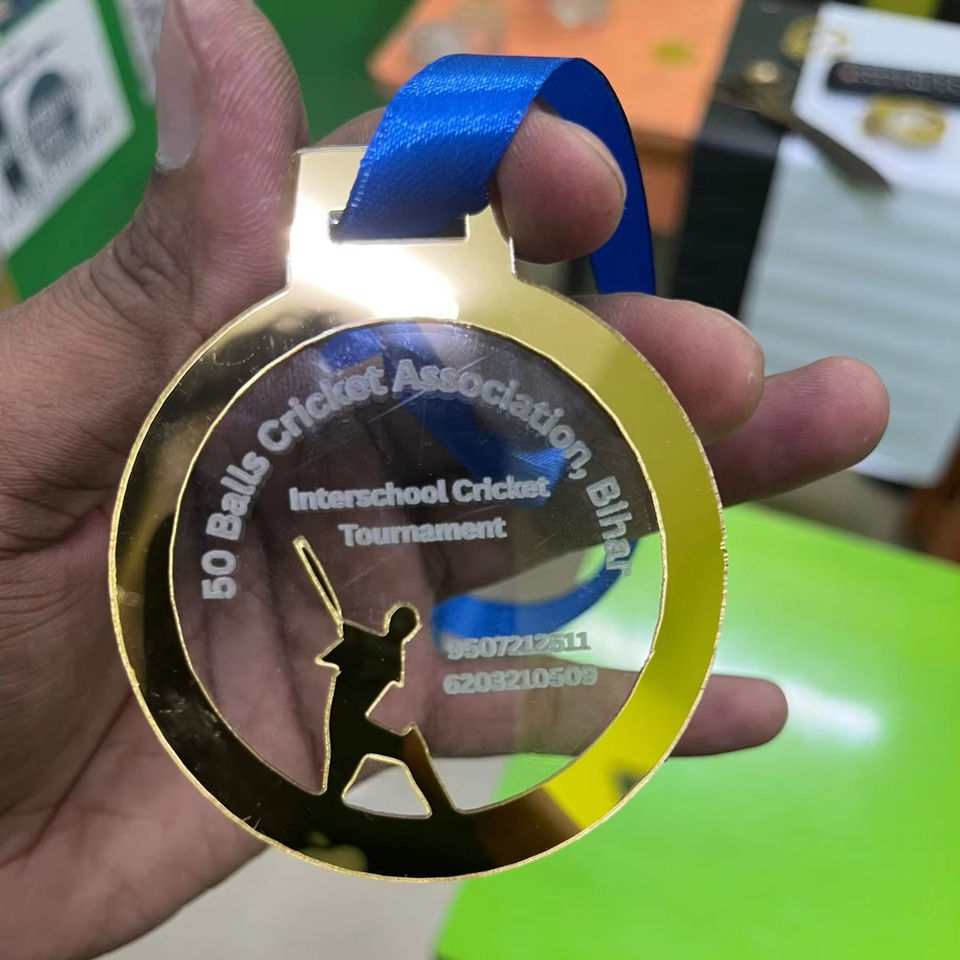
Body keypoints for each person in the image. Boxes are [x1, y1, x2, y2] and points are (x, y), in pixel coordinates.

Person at [0, 1, 888, 957]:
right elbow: (350, 632)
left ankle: (389, 792)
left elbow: (363, 631)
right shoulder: (350, 647)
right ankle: (391, 792)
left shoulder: (363, 642)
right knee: (380, 758)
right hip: (252, 718)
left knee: (382, 757)